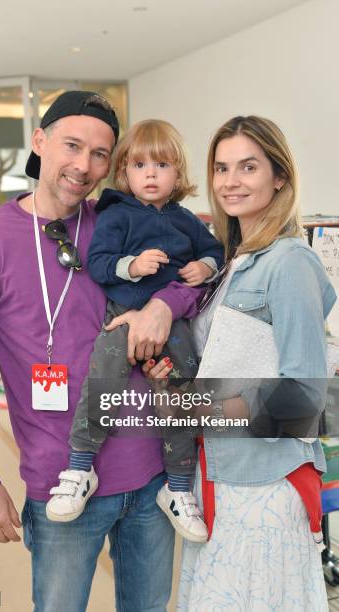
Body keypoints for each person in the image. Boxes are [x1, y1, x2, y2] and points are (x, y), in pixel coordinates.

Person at [0, 90, 204, 612]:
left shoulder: (119, 220)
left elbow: (194, 274)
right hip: (62, 482)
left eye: (100, 154)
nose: (84, 165)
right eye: (72, 145)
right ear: (39, 142)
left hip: (153, 478)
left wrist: (164, 306)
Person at [146, 116, 336, 611]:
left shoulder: (289, 263)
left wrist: (202, 406)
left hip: (264, 485)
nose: (230, 181)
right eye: (222, 167)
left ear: (279, 176)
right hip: (221, 477)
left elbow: (304, 398)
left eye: (248, 167)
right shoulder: (235, 261)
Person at [46, 119, 223, 544]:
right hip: (123, 315)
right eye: (139, 164)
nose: (149, 173)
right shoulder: (116, 214)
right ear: (123, 172)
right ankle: (80, 465)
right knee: (103, 379)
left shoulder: (187, 220)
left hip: (175, 325)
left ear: (177, 174)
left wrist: (207, 266)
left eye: (161, 164)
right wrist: (133, 265)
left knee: (181, 395)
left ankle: (178, 488)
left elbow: (214, 251)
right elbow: (100, 262)